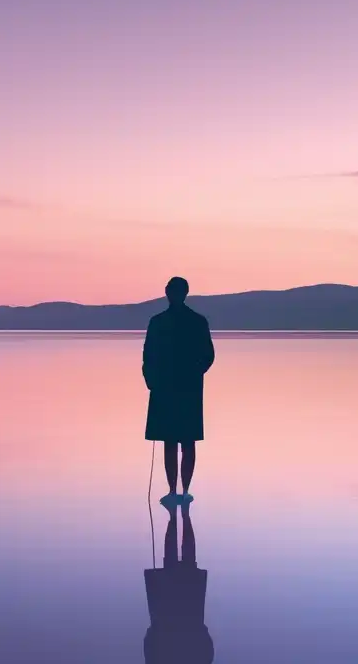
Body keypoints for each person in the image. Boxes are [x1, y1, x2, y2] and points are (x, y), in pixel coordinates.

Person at [142, 276, 214, 504]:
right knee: (176, 441)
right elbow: (148, 355)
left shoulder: (163, 321)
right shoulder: (190, 321)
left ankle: (180, 491)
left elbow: (207, 356)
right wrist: (151, 379)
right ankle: (178, 491)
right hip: (177, 388)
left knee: (179, 440)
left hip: (177, 388)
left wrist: (154, 379)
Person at [143, 500, 214, 663]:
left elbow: (207, 650)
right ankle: (179, 514)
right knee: (176, 560)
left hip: (182, 616)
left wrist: (202, 630)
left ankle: (180, 514)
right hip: (179, 616)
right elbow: (149, 646)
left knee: (181, 560)